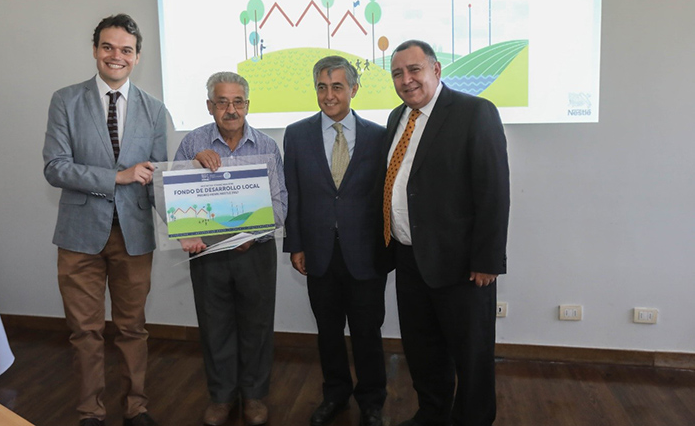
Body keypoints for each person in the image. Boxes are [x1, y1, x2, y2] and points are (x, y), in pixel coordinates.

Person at [43, 14, 167, 426]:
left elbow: (158, 179)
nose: (117, 56)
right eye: (108, 47)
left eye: (126, 50)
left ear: (137, 56)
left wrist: (188, 227)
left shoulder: (154, 109)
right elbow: (55, 167)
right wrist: (117, 177)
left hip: (135, 237)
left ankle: (136, 407)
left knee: (133, 329)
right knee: (85, 331)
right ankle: (90, 412)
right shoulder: (66, 100)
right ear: (95, 50)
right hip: (79, 238)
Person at [381, 40, 510, 426]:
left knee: (471, 355)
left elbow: (493, 191)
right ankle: (432, 414)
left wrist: (487, 260)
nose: (406, 80)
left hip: (461, 265)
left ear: (436, 70)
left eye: (414, 70)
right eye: (397, 73)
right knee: (423, 351)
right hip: (409, 258)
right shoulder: (396, 117)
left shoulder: (475, 112)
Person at [174, 72, 287, 426]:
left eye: (238, 101)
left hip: (256, 252)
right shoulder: (192, 144)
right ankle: (221, 397)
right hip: (208, 255)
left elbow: (280, 203)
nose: (231, 109)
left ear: (248, 105)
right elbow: (171, 198)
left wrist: (252, 233)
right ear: (210, 106)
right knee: (214, 326)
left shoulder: (267, 146)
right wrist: (192, 168)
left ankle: (253, 396)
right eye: (222, 102)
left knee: (257, 326)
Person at [284, 56, 387, 426]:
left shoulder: (379, 136)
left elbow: (385, 196)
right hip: (318, 252)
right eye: (322, 87)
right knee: (328, 332)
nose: (329, 95)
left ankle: (372, 401)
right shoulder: (297, 134)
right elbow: (293, 193)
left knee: (367, 333)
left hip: (366, 254)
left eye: (337, 87)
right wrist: (296, 244)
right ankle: (335, 394)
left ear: (354, 89)